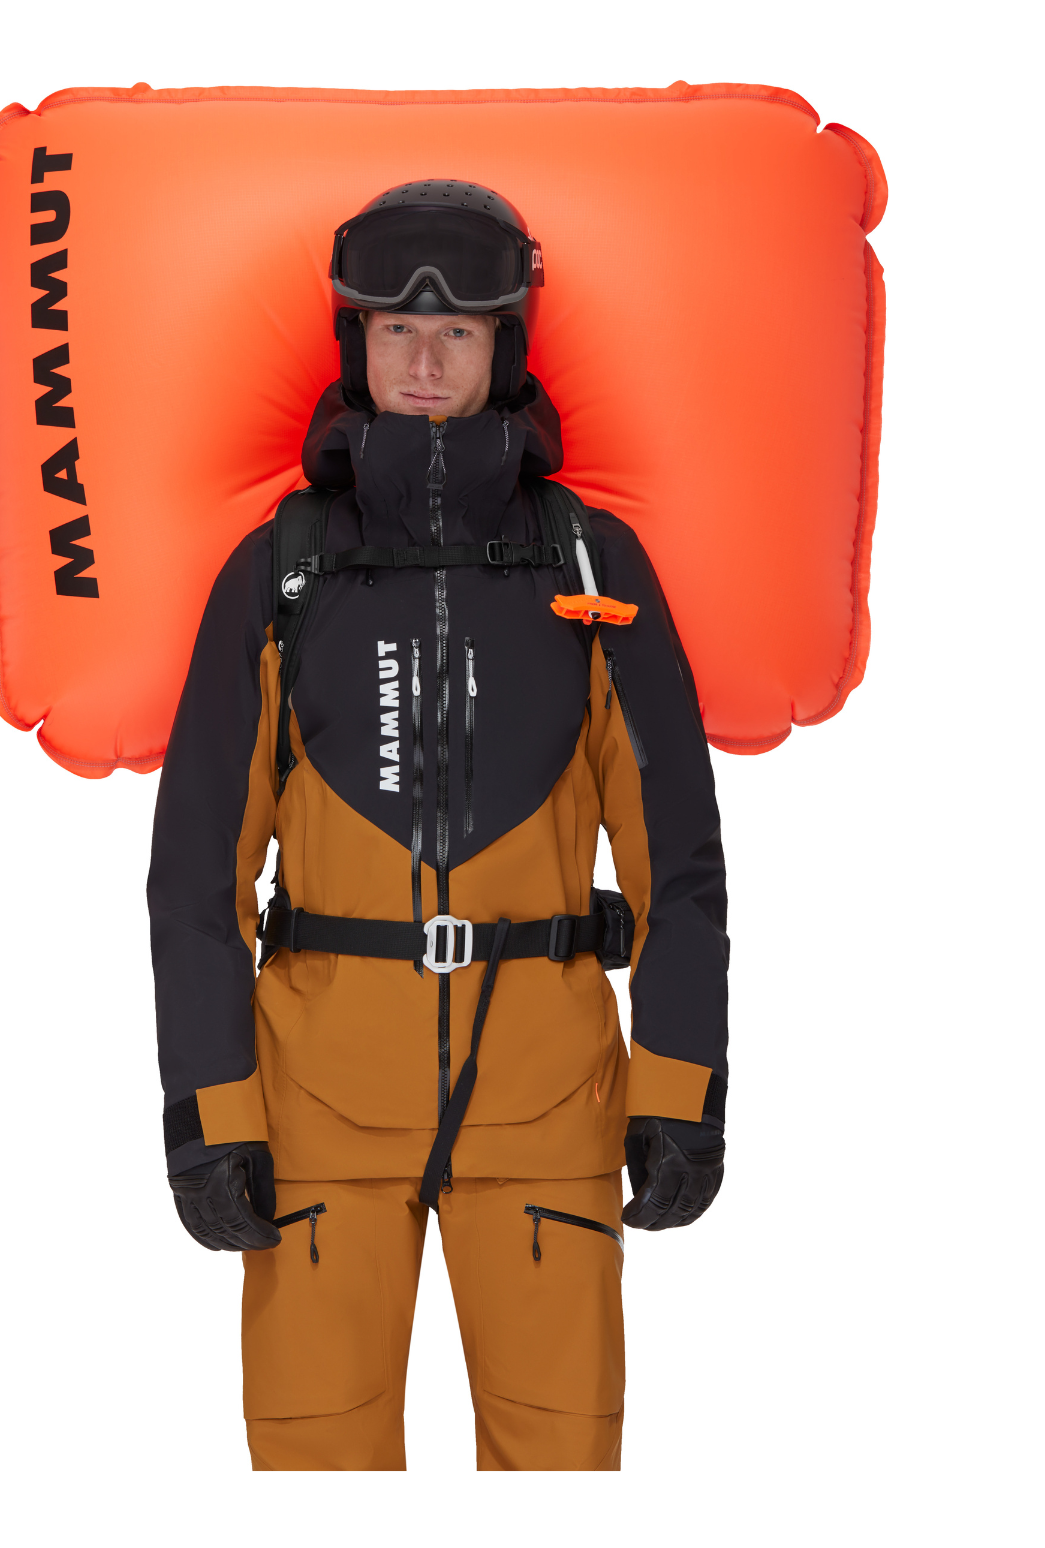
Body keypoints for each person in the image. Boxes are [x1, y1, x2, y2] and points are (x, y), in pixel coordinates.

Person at [147, 180, 729, 1472]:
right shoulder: (281, 570)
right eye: (396, 329)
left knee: (560, 1482)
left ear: (505, 346)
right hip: (314, 1116)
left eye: (458, 331)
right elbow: (194, 875)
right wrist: (210, 1109)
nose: (423, 359)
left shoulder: (594, 568)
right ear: (353, 340)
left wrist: (681, 1086)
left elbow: (680, 863)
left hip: (552, 1115)